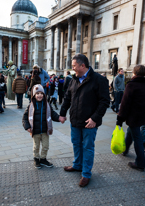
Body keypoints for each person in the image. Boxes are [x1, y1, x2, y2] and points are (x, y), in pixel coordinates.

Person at [59, 54, 110, 187]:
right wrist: (62, 113)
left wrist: (95, 118)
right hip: (75, 120)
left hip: (89, 122)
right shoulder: (73, 79)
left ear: (83, 65)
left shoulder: (99, 79)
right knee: (76, 143)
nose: (72, 68)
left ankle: (86, 174)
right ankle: (77, 165)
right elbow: (67, 98)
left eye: (74, 66)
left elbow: (104, 102)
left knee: (87, 147)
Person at [116, 65, 145, 171]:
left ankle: (140, 163)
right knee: (130, 132)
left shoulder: (132, 85)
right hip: (143, 115)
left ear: (134, 73)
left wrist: (120, 119)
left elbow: (125, 103)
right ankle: (125, 150)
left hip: (133, 117)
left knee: (137, 139)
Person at [22, 84, 65, 168]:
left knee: (45, 146)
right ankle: (36, 159)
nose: (39, 95)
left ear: (44, 95)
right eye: (37, 93)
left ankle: (43, 159)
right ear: (34, 95)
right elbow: (25, 118)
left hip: (45, 130)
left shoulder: (47, 104)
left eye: (41, 93)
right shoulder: (31, 105)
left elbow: (52, 114)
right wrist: (27, 127)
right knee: (36, 146)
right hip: (35, 130)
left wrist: (59, 118)